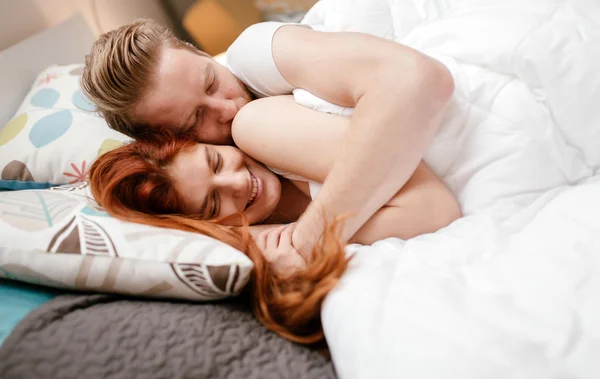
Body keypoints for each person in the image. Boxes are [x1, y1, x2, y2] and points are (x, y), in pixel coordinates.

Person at [89, 124, 460, 343]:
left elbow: (434, 209)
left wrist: (308, 235)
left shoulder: (264, 131)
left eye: (216, 161)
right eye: (213, 204)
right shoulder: (260, 246)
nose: (237, 181)